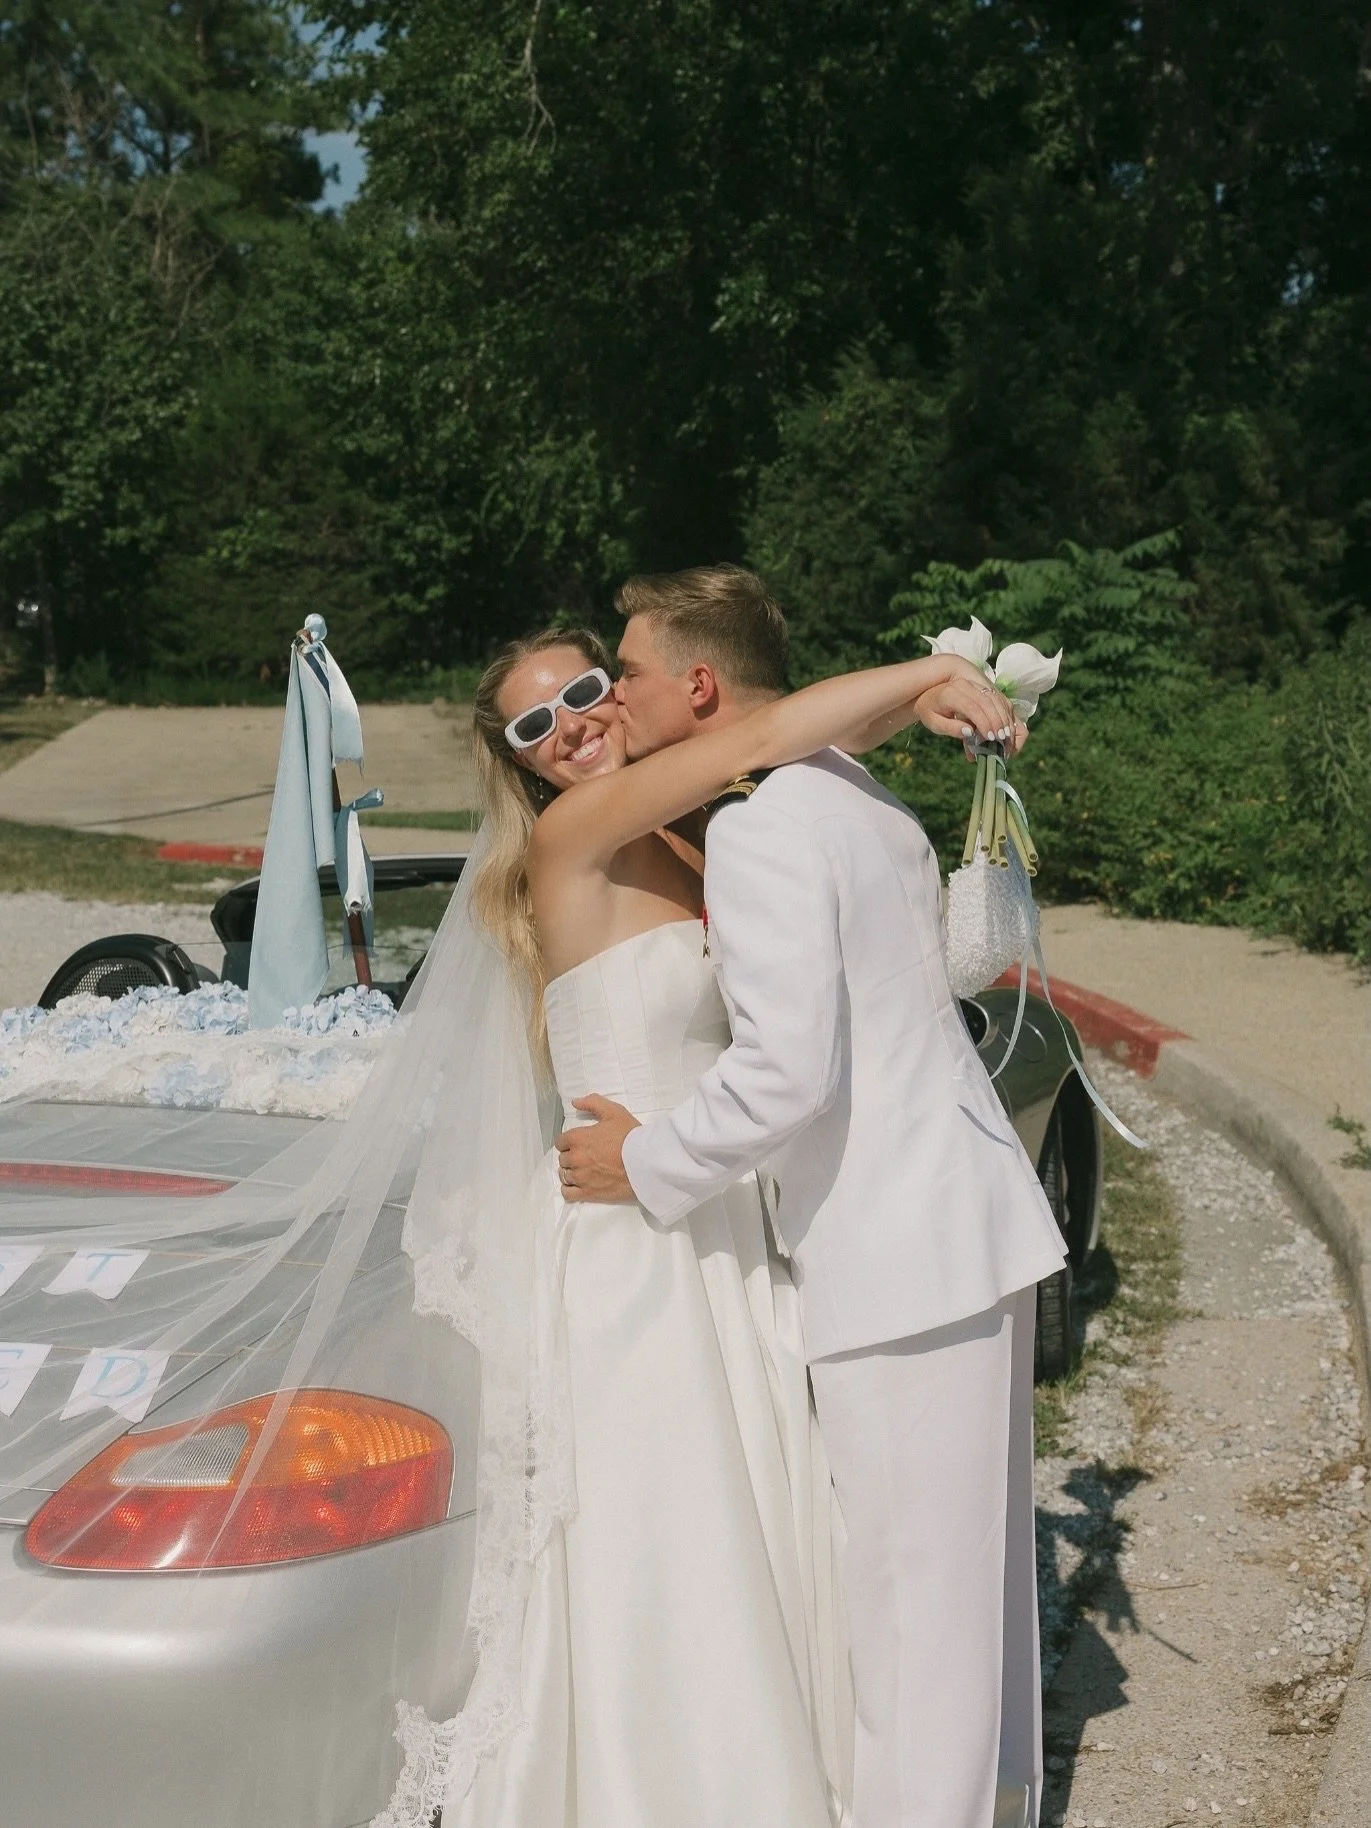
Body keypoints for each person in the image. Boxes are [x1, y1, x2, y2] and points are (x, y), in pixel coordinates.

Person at [435, 612, 1015, 1828]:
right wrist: (930, 677)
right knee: (676, 1540)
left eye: (588, 688)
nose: (575, 724)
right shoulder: (579, 832)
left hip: (728, 1228)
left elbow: (775, 747)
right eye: (537, 722)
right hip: (637, 1237)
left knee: (782, 1522)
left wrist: (909, 708)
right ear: (522, 758)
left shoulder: (683, 840)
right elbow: (762, 725)